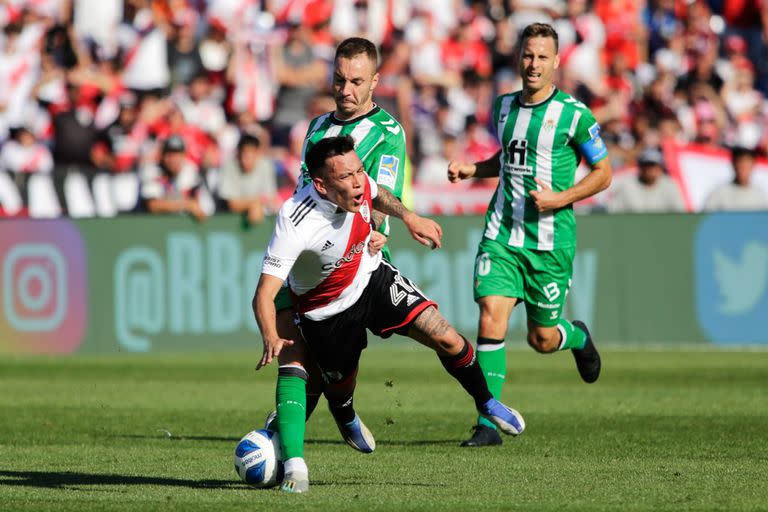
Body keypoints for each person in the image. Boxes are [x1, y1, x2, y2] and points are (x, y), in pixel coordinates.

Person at [253, 136, 526, 493]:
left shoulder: (356, 181)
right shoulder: (296, 219)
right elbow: (265, 292)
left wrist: (409, 217)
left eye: (358, 170)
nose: (356, 181)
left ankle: (486, 401)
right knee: (340, 385)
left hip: (373, 277)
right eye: (346, 177)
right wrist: (271, 335)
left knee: (446, 336)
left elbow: (376, 192)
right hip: (328, 310)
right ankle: (343, 414)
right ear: (321, 184)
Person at [447, 23, 612, 448]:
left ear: (556, 62)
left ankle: (575, 336)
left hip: (550, 242)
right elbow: (509, 157)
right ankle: (487, 420)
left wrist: (561, 198)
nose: (533, 63)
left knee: (541, 339)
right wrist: (474, 169)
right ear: (518, 57)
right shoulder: (502, 106)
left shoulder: (575, 115)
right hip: (503, 233)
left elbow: (603, 174)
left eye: (542, 56)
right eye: (527, 55)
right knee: (490, 312)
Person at [266, 37, 408, 473]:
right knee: (296, 353)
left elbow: (383, 192)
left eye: (355, 82)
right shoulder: (315, 128)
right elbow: (305, 194)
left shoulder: (388, 133)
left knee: (330, 362)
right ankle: (287, 458)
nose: (345, 89)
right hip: (305, 257)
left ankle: (315, 425)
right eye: (339, 79)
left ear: (375, 83)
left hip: (353, 262)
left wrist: (380, 231)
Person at [140, 135, 211, 221]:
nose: (173, 159)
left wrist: (189, 205)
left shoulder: (191, 170)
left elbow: (200, 206)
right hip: (155, 224)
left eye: (177, 155)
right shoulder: (152, 171)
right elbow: (153, 206)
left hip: (182, 225)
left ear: (184, 155)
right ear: (162, 156)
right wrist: (186, 204)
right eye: (169, 155)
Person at [217, 133, 277, 225]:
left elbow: (271, 199)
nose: (246, 161)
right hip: (229, 220)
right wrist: (254, 204)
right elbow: (232, 204)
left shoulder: (266, 165)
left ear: (257, 154)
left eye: (250, 156)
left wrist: (257, 205)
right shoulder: (229, 166)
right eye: (243, 156)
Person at [607, 147, 686, 213]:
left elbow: (679, 214)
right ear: (640, 167)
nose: (650, 169)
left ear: (660, 168)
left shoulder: (670, 185)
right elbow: (615, 212)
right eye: (646, 165)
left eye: (653, 165)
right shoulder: (627, 185)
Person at [703, 146, 768, 211]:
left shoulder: (760, 195)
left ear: (753, 165)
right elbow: (705, 217)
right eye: (740, 162)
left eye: (747, 163)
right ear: (733, 164)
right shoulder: (720, 193)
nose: (743, 168)